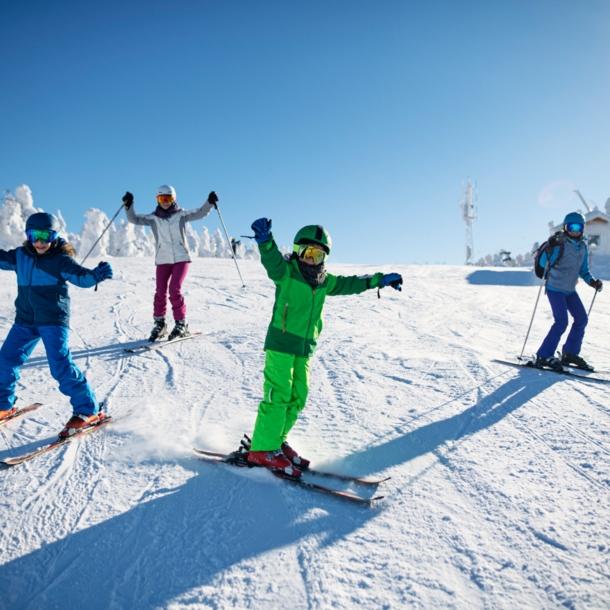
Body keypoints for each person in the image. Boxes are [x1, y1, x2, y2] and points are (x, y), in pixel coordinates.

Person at [245, 218, 403, 476]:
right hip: (281, 343)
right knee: (279, 393)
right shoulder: (286, 273)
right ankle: (262, 449)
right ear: (298, 251)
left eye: (318, 255)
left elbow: (353, 282)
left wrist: (380, 280)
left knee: (299, 396)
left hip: (304, 348)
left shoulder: (324, 281)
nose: (311, 260)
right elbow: (272, 261)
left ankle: (277, 440)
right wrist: (265, 241)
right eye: (308, 253)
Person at [0, 213, 113, 437]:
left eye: (45, 236)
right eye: (34, 236)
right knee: (5, 360)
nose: (39, 242)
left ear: (55, 235)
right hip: (25, 320)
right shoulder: (21, 255)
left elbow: (82, 277)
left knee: (60, 366)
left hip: (52, 321)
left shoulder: (60, 260)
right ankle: (4, 404)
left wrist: (96, 275)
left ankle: (88, 409)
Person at [122, 186, 219, 341]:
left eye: (168, 199)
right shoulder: (153, 218)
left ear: (173, 199)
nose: (165, 202)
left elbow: (200, 213)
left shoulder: (181, 215)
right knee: (160, 291)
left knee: (174, 289)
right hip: (163, 260)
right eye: (162, 199)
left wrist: (209, 202)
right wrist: (129, 205)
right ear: (157, 200)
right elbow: (134, 219)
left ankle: (182, 323)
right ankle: (160, 324)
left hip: (181, 259)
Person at [535, 211, 603, 372]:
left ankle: (570, 353)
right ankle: (544, 355)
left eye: (577, 227)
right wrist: (550, 247)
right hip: (555, 288)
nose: (574, 230)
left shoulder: (583, 247)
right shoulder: (560, 243)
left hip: (570, 289)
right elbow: (545, 263)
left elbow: (584, 270)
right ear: (565, 227)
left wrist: (592, 282)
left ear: (582, 228)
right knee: (561, 322)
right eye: (570, 227)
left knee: (581, 319)